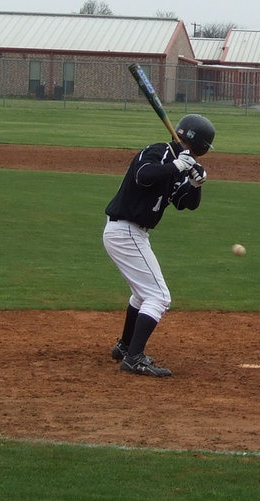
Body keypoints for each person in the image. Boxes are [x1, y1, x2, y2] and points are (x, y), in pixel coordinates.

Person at [104, 114, 215, 377]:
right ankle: (134, 358)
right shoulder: (159, 152)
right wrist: (176, 166)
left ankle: (126, 346)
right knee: (159, 297)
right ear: (200, 144)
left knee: (143, 294)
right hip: (125, 230)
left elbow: (183, 202)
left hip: (134, 234)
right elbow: (144, 175)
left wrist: (195, 183)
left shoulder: (182, 162)